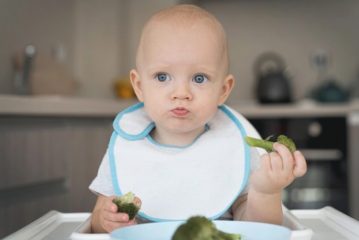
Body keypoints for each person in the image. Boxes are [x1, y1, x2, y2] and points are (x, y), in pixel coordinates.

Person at [89, 4, 307, 233]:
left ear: (224, 89)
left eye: (199, 78)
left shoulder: (235, 146)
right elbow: (95, 225)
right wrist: (106, 220)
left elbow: (258, 230)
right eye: (162, 77)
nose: (181, 93)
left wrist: (266, 192)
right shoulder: (127, 146)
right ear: (139, 86)